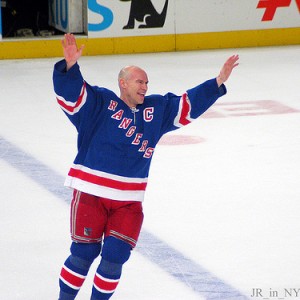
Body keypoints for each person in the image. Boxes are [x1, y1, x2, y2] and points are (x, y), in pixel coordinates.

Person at [53, 33, 239, 300]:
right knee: (83, 253)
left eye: (147, 83)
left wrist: (217, 82)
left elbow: (187, 105)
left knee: (115, 256)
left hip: (128, 200)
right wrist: (70, 68)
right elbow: (72, 96)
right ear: (123, 83)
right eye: (139, 81)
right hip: (91, 192)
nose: (145, 87)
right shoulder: (101, 102)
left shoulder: (156, 110)